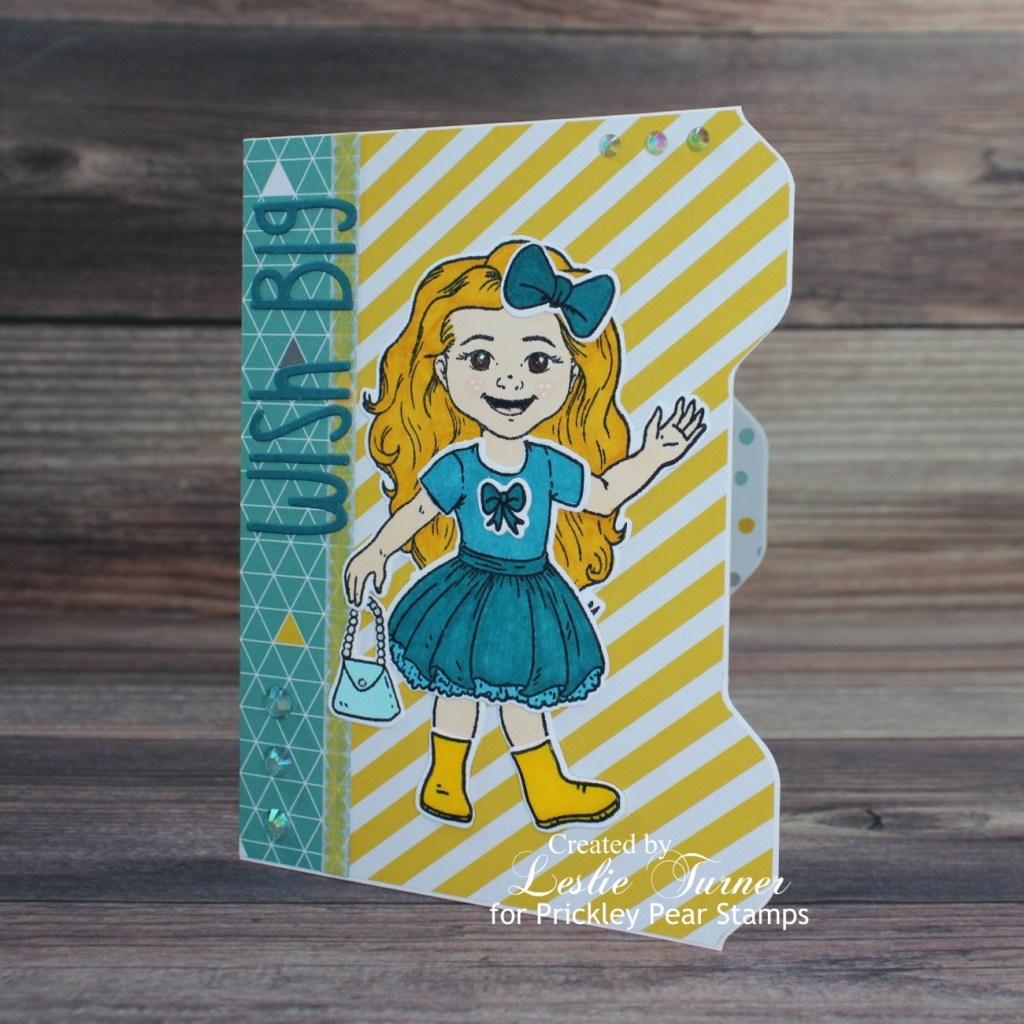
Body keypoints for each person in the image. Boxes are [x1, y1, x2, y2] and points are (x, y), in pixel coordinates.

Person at [345, 240, 706, 831]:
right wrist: (377, 549)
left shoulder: (549, 465)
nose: (510, 379)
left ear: (571, 373)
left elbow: (604, 495)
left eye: (539, 362)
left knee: (522, 694)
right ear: (443, 369)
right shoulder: (459, 465)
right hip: (466, 586)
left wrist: (655, 456)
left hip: (531, 593)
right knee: (455, 685)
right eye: (480, 359)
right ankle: (444, 779)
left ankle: (546, 789)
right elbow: (418, 509)